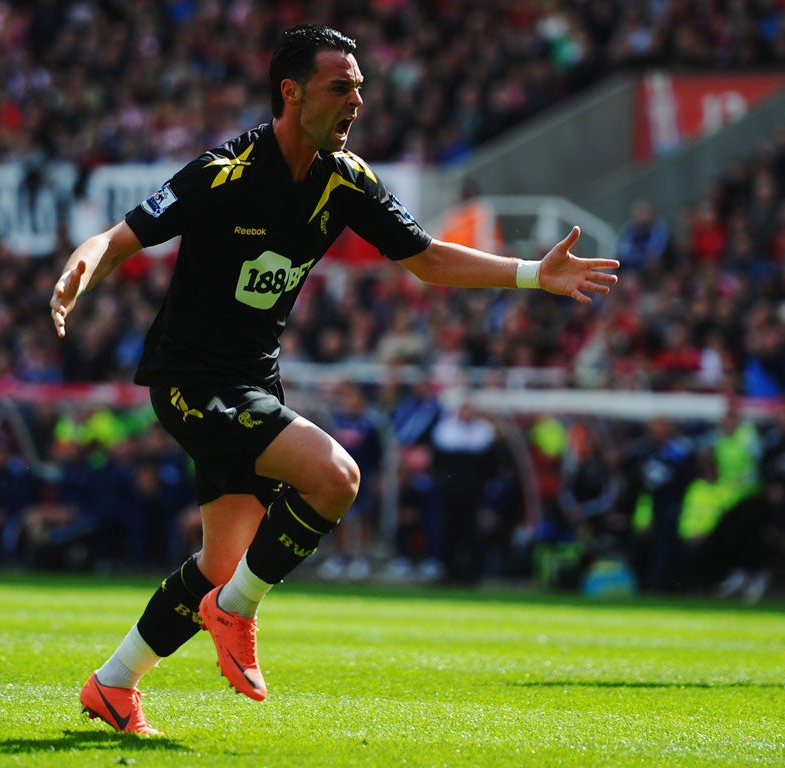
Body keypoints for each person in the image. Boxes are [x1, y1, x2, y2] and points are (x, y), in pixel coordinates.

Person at [50, 24, 619, 736]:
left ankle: (114, 685)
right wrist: (82, 268)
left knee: (221, 558)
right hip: (191, 380)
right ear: (291, 92)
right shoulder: (224, 172)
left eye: (360, 87)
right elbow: (120, 235)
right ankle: (238, 609)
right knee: (336, 476)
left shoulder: (347, 181)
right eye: (340, 87)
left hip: (255, 380)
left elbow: (428, 260)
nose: (357, 100)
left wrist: (536, 275)